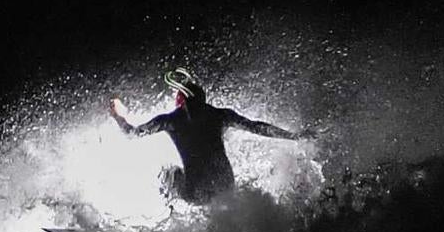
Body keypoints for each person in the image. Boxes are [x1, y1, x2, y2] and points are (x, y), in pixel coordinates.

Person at [108, 68, 313, 205]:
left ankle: (170, 230)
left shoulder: (171, 120)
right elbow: (257, 127)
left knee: (168, 173)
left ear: (183, 100)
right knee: (179, 175)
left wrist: (118, 117)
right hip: (225, 188)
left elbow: (132, 134)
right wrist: (294, 136)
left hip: (197, 191)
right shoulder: (218, 115)